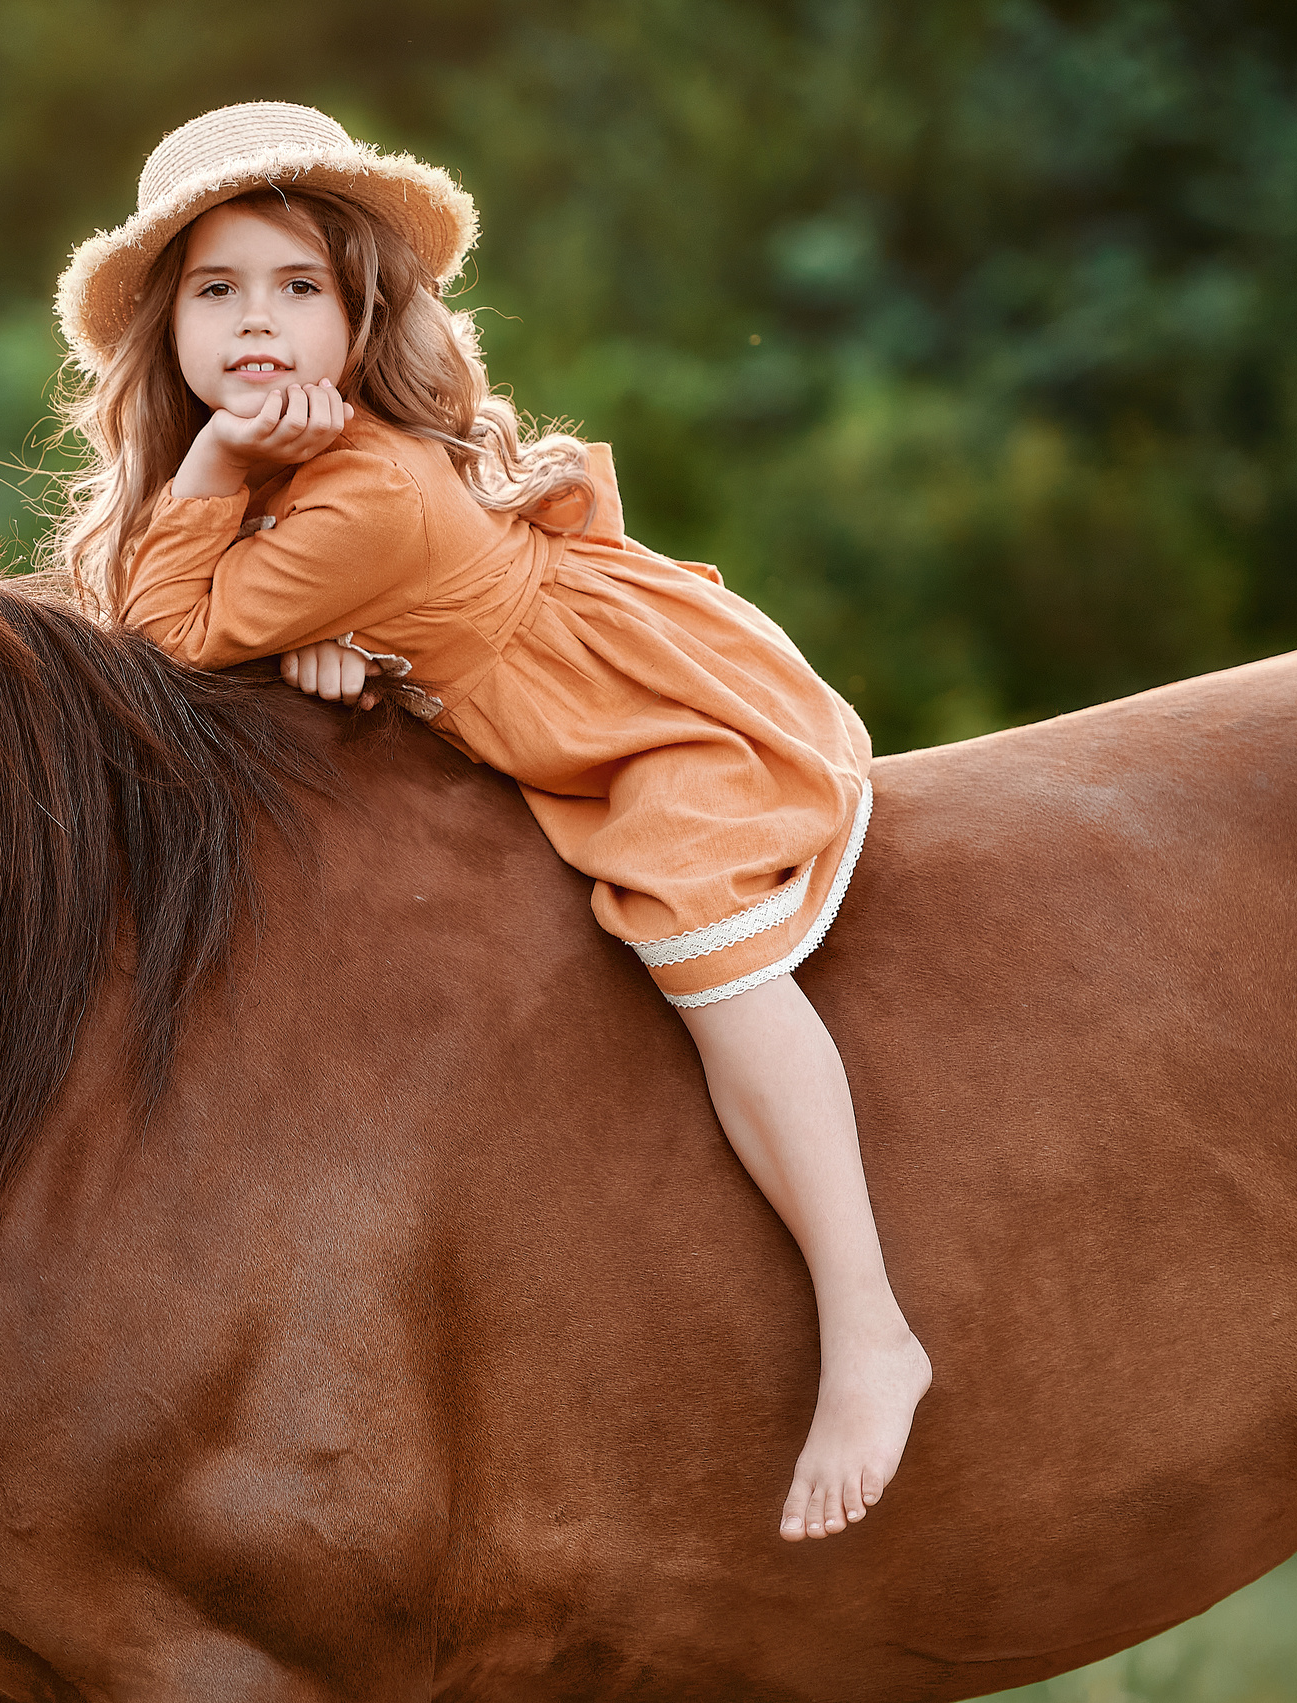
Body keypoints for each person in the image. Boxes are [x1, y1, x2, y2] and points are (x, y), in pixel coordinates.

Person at [51, 102, 929, 1544]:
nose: (255, 325)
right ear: (169, 327)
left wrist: (216, 496)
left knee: (702, 944)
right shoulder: (322, 480)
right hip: (536, 686)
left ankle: (868, 1324)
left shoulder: (351, 495)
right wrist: (316, 646)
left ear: (361, 310)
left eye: (296, 288)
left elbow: (152, 648)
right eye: (216, 290)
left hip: (628, 714)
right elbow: (220, 631)